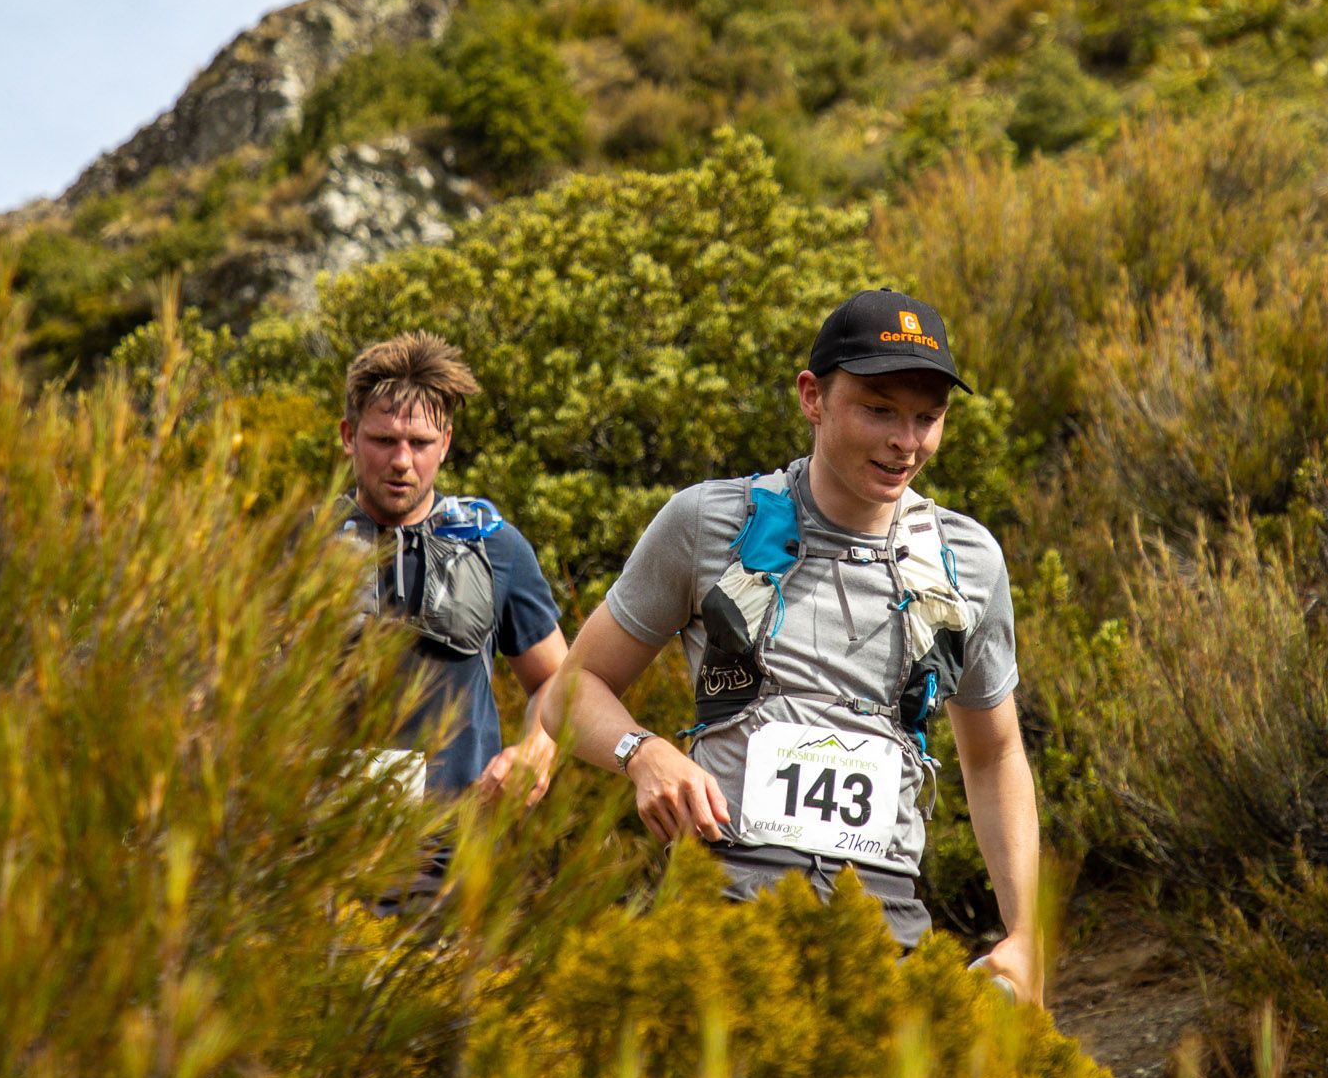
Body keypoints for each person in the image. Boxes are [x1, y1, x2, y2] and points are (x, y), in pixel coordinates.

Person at [545, 289, 1039, 998]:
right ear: (812, 397)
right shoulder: (705, 522)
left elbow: (992, 756)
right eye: (878, 409)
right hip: (723, 902)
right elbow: (569, 690)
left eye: (927, 418)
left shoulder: (969, 559)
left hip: (885, 924)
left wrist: (1025, 936)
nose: (906, 441)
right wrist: (642, 754)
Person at [338, 333, 566, 865]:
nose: (401, 461)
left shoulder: (496, 547)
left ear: (445, 442)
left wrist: (533, 754)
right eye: (382, 440)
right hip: (321, 852)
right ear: (349, 436)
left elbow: (558, 678)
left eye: (418, 443)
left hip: (458, 853)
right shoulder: (299, 548)